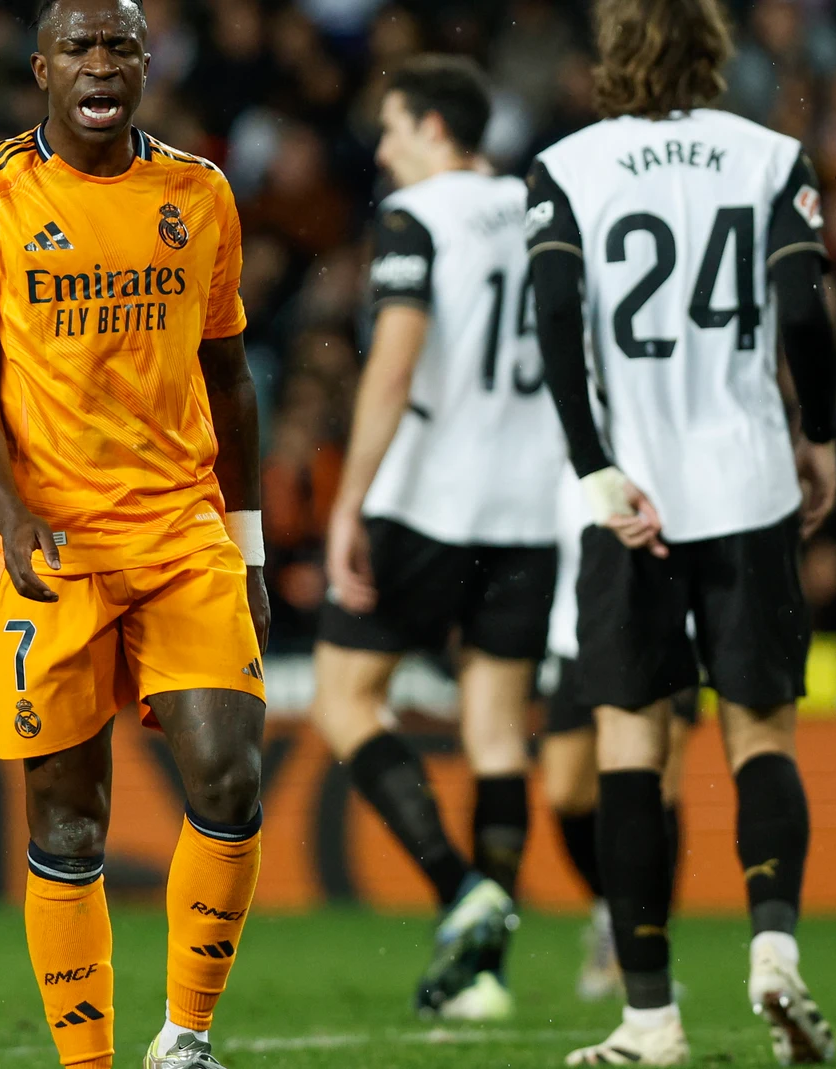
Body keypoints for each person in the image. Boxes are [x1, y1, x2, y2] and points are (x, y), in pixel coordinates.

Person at [0, 2, 267, 1066]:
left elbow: (230, 375)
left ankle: (185, 1038)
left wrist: (251, 545)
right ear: (43, 69)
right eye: (79, 48)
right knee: (69, 825)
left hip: (182, 529)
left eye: (121, 46)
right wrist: (10, 512)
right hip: (53, 545)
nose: (101, 65)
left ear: (147, 65)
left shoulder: (199, 193)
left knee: (230, 778)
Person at [525, 0, 836, 1061]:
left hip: (632, 502)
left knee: (629, 744)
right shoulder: (770, 157)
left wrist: (594, 467)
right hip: (748, 483)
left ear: (611, 51)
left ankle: (649, 1018)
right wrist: (820, 435)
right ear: (713, 49)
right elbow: (805, 314)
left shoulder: (567, 167)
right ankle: (773, 949)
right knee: (760, 732)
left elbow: (555, 324)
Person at [309, 56, 563, 1021]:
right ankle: (484, 973)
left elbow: (394, 363)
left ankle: (462, 890)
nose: (382, 149)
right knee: (496, 729)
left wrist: (348, 502)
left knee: (345, 699)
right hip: (530, 506)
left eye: (391, 127)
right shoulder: (540, 206)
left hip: (429, 500)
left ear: (432, 127)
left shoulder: (417, 219)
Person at [540, 464, 697, 1003]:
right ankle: (613, 910)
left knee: (660, 785)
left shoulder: (664, 441)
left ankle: (647, 945)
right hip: (577, 630)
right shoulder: (569, 450)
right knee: (566, 792)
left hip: (671, 622)